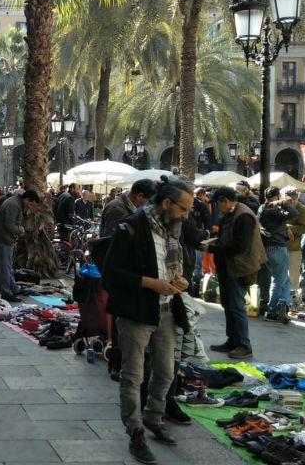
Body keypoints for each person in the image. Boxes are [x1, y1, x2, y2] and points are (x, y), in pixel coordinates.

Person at [103, 176, 193, 465]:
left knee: (166, 372)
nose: (186, 215)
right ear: (166, 203)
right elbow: (111, 274)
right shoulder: (131, 226)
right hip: (136, 313)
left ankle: (154, 418)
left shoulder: (172, 229)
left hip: (166, 310)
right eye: (183, 209)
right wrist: (153, 284)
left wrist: (181, 281)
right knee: (133, 376)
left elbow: (177, 265)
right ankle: (135, 432)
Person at [205, 187, 265, 360]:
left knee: (237, 306)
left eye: (217, 203)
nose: (217, 207)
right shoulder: (231, 214)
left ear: (225, 200)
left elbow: (240, 246)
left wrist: (211, 248)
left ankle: (244, 345)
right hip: (227, 266)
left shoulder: (243, 215)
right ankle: (233, 340)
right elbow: (227, 237)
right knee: (229, 304)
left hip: (239, 268)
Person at [256, 186, 297, 323]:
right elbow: (293, 213)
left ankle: (283, 302)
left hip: (266, 247)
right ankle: (273, 310)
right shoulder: (273, 210)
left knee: (285, 279)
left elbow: (276, 223)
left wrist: (286, 228)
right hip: (277, 247)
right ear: (278, 196)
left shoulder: (262, 208)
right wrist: (282, 203)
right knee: (279, 280)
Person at [0, 189, 41, 303]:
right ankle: (6, 292)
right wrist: (19, 230)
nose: (30, 207)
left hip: (4, 237)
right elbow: (9, 224)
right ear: (26, 199)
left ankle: (13, 288)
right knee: (5, 266)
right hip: (4, 238)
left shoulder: (15, 202)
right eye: (30, 204)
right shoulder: (14, 205)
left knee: (7, 265)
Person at [282, 186, 305, 305]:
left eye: (294, 199)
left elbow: (304, 228)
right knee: (279, 274)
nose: (292, 202)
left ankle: (291, 300)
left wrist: (286, 228)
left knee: (293, 275)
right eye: (289, 200)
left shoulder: (303, 210)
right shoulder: (280, 206)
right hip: (279, 245)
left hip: (293, 247)